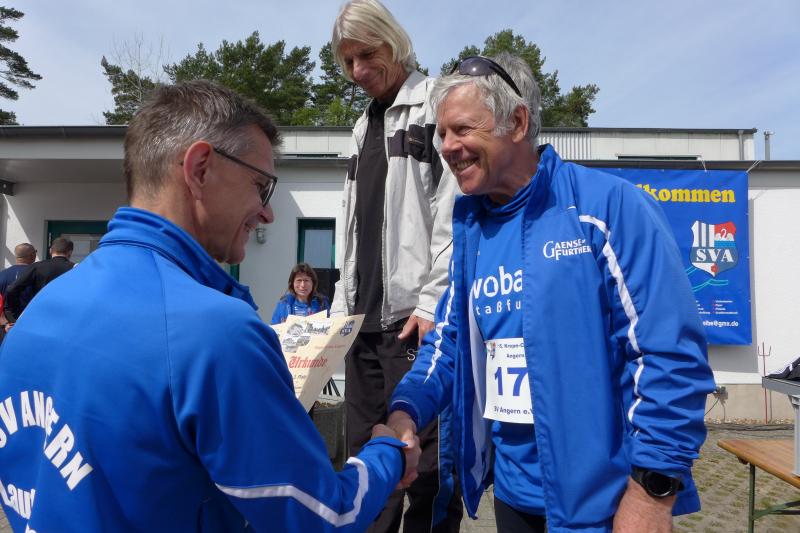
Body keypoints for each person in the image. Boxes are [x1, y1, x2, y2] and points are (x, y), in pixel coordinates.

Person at [0, 80, 419, 532]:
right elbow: (325, 518)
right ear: (200, 168)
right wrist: (387, 453)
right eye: (261, 186)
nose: (268, 213)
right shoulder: (215, 332)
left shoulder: (38, 313)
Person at [385, 53, 716, 533]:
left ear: (517, 123)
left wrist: (652, 492)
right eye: (442, 134)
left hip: (607, 505)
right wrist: (405, 410)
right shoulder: (473, 231)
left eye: (462, 130)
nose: (447, 147)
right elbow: (449, 342)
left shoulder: (606, 208)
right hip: (513, 496)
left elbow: (669, 355)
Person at [330, 1, 462, 531]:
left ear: (393, 41)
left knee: (425, 467)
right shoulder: (361, 126)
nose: (358, 70)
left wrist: (433, 300)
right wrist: (339, 311)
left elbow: (453, 210)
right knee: (367, 459)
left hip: (413, 318)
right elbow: (351, 226)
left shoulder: (435, 103)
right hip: (361, 323)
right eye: (348, 61)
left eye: (367, 54)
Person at [3, 237, 73, 326]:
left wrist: (14, 314)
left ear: (50, 251)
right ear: (70, 252)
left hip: (39, 316)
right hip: (65, 317)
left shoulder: (37, 267)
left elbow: (11, 289)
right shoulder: (76, 269)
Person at [0, 243, 36, 337]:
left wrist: (4, 323)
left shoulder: (2, 275)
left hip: (7, 326)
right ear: (32, 255)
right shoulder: (37, 274)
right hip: (30, 325)